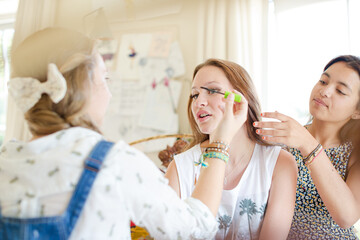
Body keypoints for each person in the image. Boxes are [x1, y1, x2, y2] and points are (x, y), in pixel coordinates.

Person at [0, 28, 246, 239]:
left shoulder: (5, 162)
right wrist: (219, 144)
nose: (109, 94)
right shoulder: (112, 163)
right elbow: (195, 228)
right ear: (83, 87)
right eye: (104, 79)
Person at [165, 58, 298, 240]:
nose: (198, 102)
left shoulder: (280, 164)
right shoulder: (179, 169)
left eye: (212, 91)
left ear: (242, 99)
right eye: (195, 95)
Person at [254, 55, 360, 239]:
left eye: (341, 91)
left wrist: (308, 144)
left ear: (357, 111)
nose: (325, 91)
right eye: (323, 81)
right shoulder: (285, 138)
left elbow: (347, 217)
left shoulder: (355, 153)